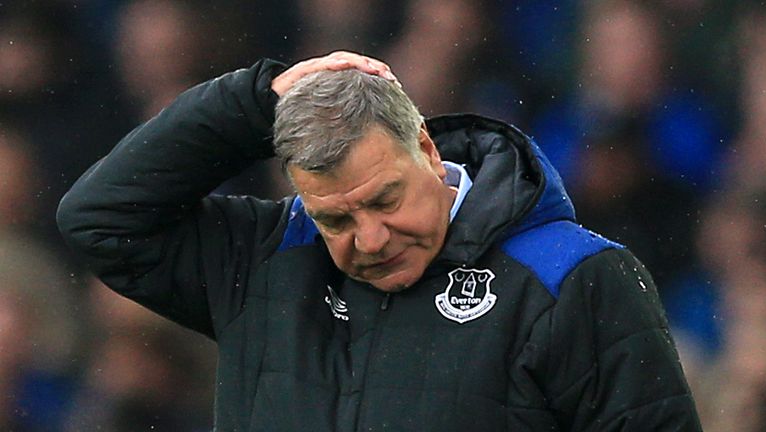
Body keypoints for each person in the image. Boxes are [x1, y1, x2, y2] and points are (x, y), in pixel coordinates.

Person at [58, 51, 701, 431]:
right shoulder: (265, 258)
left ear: (425, 146)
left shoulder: (577, 277)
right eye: (335, 219)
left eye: (384, 200)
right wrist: (256, 101)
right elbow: (102, 221)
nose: (369, 238)